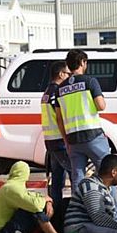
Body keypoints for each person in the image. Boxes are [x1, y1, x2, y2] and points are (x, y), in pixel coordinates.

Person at [0, 161, 83, 233]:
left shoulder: (10, 186)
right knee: (36, 211)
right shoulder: (12, 188)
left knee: (35, 206)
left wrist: (48, 200)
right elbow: (36, 205)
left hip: (0, 231)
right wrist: (46, 201)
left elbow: (32, 196)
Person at [55, 49, 111, 193]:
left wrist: (66, 139)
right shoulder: (90, 81)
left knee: (77, 177)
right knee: (107, 173)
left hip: (73, 139)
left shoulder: (60, 89)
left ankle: (78, 212)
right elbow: (101, 106)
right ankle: (112, 212)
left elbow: (59, 119)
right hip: (93, 136)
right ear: (82, 62)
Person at [40, 60, 72, 208]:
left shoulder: (47, 92)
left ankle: (57, 211)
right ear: (60, 74)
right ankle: (75, 210)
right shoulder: (58, 92)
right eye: (67, 73)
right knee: (75, 175)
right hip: (60, 141)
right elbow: (61, 117)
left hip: (51, 142)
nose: (69, 76)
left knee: (57, 181)